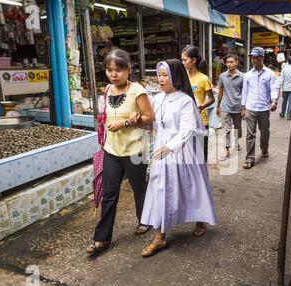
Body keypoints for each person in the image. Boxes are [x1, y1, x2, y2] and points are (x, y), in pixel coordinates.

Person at [139, 59, 217, 257]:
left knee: (191, 187)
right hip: (161, 151)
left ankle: (199, 217)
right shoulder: (156, 99)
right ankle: (160, 235)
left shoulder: (185, 100)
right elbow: (153, 123)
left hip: (183, 150)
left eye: (165, 75)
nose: (161, 79)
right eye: (159, 75)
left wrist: (170, 147)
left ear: (175, 76)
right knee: (161, 189)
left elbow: (188, 129)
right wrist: (139, 121)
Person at [86, 49, 154, 257]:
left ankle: (145, 219)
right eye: (109, 70)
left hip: (135, 150)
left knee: (140, 189)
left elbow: (149, 117)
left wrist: (127, 122)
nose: (113, 74)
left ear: (128, 69)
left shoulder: (137, 90)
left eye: (118, 70)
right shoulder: (107, 89)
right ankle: (102, 238)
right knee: (109, 194)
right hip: (112, 150)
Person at [241, 47, 278, 170]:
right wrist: (243, 108)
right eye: (252, 57)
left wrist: (274, 101)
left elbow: (273, 88)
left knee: (264, 132)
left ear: (262, 58)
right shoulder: (247, 75)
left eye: (255, 57)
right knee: (250, 134)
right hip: (251, 108)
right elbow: (245, 92)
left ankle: (264, 149)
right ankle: (249, 158)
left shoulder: (270, 74)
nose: (253, 59)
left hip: (264, 108)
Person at [181, 45, 215, 163]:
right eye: (182, 60)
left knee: (201, 156)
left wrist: (202, 106)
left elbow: (211, 99)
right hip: (185, 121)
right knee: (187, 156)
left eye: (185, 60)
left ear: (194, 60)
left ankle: (202, 180)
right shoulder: (182, 78)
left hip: (201, 121)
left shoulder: (204, 79)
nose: (183, 62)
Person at [216, 54, 244, 161]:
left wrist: (244, 108)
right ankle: (226, 149)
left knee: (237, 128)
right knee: (226, 129)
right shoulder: (223, 76)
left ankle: (237, 143)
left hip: (238, 106)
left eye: (231, 62)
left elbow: (245, 93)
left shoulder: (242, 76)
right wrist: (218, 106)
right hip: (225, 106)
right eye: (227, 62)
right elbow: (220, 92)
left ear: (237, 62)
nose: (229, 64)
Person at [278, 55, 291, 120]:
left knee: (284, 101)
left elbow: (281, 79)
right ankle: (289, 115)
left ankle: (282, 113)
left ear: (288, 62)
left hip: (285, 88)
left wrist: (278, 88)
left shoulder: (284, 69)